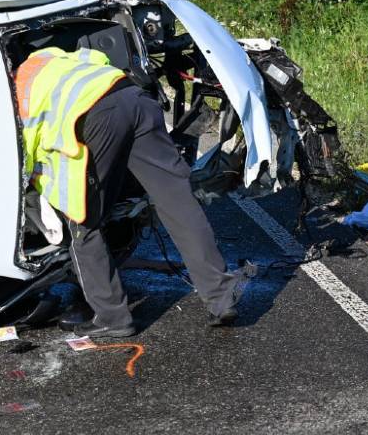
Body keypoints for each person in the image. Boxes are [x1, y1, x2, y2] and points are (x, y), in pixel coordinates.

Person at [15, 46, 243, 338]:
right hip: (135, 98)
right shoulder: (51, 57)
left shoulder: (19, 90)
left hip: (97, 117)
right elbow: (100, 58)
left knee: (81, 221)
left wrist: (34, 181)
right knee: (178, 204)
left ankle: (113, 317)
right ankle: (221, 298)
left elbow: (29, 150)